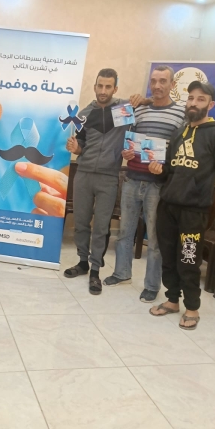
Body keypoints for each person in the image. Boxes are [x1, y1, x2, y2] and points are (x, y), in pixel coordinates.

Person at [149, 81, 215, 329]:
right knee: (168, 256)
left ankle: (192, 307)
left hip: (193, 211)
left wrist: (197, 189)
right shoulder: (179, 133)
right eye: (191, 98)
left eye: (200, 99)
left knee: (188, 258)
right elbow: (169, 171)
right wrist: (159, 171)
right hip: (168, 206)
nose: (194, 103)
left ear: (211, 104)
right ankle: (172, 300)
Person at [103, 65, 186, 302]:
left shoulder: (180, 112)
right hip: (131, 179)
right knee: (125, 232)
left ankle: (151, 285)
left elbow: (180, 150)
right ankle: (122, 273)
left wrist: (165, 165)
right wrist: (126, 153)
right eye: (154, 81)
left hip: (158, 185)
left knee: (156, 239)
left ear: (172, 85)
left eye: (163, 81)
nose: (157, 85)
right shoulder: (138, 109)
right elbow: (124, 136)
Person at [65, 68, 150, 295]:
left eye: (108, 86)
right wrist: (76, 148)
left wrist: (142, 99)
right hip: (83, 174)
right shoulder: (84, 114)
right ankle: (83, 262)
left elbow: (151, 103)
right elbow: (81, 146)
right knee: (81, 222)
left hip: (109, 177)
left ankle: (95, 270)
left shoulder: (123, 109)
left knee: (101, 227)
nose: (103, 90)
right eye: (100, 86)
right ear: (95, 87)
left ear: (115, 88)